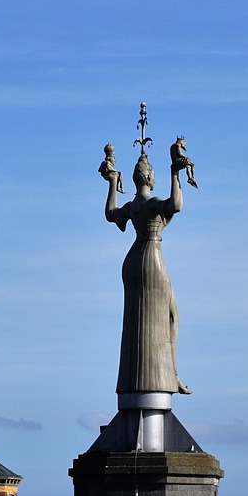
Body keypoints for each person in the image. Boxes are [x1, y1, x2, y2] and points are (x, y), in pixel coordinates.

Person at [104, 150, 190, 395]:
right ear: (151, 179)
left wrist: (112, 182)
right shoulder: (152, 204)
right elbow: (176, 205)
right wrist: (175, 173)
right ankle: (171, 374)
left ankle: (160, 375)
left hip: (133, 260)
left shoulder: (133, 207)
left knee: (138, 318)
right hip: (151, 258)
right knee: (171, 314)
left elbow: (111, 214)